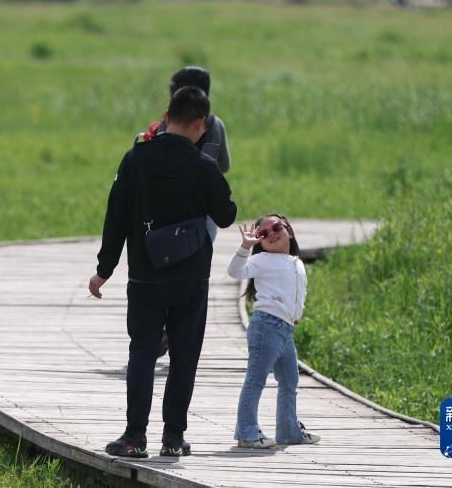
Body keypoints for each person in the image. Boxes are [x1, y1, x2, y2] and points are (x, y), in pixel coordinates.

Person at [91, 86, 237, 458]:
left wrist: (104, 269)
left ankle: (133, 437)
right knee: (184, 357)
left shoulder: (135, 159)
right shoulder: (203, 166)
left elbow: (115, 216)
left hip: (145, 276)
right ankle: (173, 438)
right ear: (202, 123)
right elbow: (226, 215)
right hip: (191, 278)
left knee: (142, 352)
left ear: (167, 116)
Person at [227, 214, 321, 448]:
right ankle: (246, 433)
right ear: (260, 242)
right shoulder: (262, 260)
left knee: (290, 381)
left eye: (277, 227)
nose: (271, 234)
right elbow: (235, 271)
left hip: (286, 330)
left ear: (289, 230)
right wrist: (245, 247)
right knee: (255, 379)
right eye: (263, 234)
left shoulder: (296, 261)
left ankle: (289, 432)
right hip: (266, 326)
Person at [136, 65, 231, 243]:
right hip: (202, 212)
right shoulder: (213, 124)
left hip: (164, 208)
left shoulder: (166, 123)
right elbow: (220, 165)